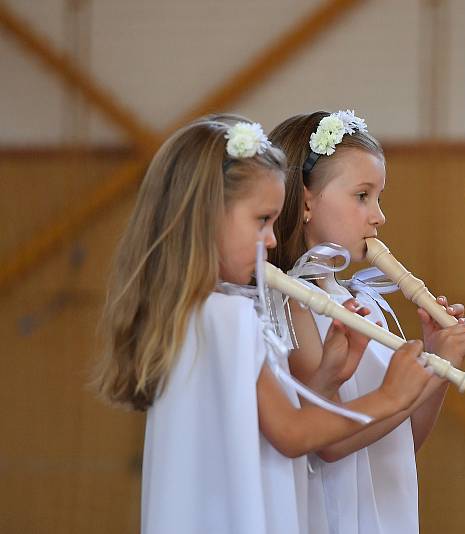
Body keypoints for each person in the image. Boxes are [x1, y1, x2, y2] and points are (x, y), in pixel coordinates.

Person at [94, 114, 433, 534]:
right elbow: (290, 435)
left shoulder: (193, 312)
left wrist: (327, 378)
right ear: (207, 216)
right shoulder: (229, 315)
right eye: (261, 221)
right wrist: (390, 397)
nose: (271, 240)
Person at [269, 110, 465, 534]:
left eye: (378, 197)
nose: (379, 216)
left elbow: (403, 441)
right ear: (305, 201)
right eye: (362, 196)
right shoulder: (291, 301)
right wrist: (435, 365)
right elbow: (329, 444)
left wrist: (437, 363)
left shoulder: (362, 301)